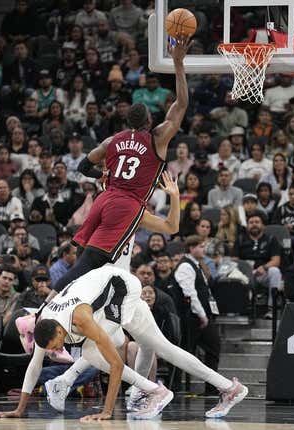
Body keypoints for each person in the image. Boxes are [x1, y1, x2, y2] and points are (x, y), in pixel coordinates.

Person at [0, 265, 247, 421]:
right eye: (53, 348)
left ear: (59, 330)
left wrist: (108, 411)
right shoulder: (45, 325)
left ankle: (154, 391)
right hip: (104, 288)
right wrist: (19, 409)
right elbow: (34, 365)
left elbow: (115, 364)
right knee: (163, 347)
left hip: (123, 288)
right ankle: (228, 388)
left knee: (96, 349)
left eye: (56, 344)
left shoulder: (81, 318)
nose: (57, 350)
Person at [50, 38, 190, 293]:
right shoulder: (157, 137)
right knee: (88, 266)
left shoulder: (112, 140)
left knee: (83, 261)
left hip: (104, 199)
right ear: (149, 119)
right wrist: (178, 62)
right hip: (126, 205)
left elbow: (82, 166)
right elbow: (181, 105)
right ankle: (49, 304)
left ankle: (70, 301)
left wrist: (102, 175)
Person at [173, 235, 222, 394]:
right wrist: (202, 315)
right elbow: (190, 293)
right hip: (192, 318)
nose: (204, 249)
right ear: (191, 248)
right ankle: (175, 386)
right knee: (185, 352)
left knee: (208, 348)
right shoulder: (186, 266)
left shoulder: (196, 265)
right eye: (201, 246)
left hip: (199, 316)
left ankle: (210, 387)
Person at [232, 211, 282, 319]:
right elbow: (234, 261)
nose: (254, 224)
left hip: (261, 274)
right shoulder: (240, 239)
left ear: (263, 225)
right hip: (244, 274)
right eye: (251, 222)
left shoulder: (270, 239)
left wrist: (264, 267)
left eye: (257, 222)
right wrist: (245, 269)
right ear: (247, 226)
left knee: (275, 271)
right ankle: (241, 309)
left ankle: (271, 308)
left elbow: (276, 260)